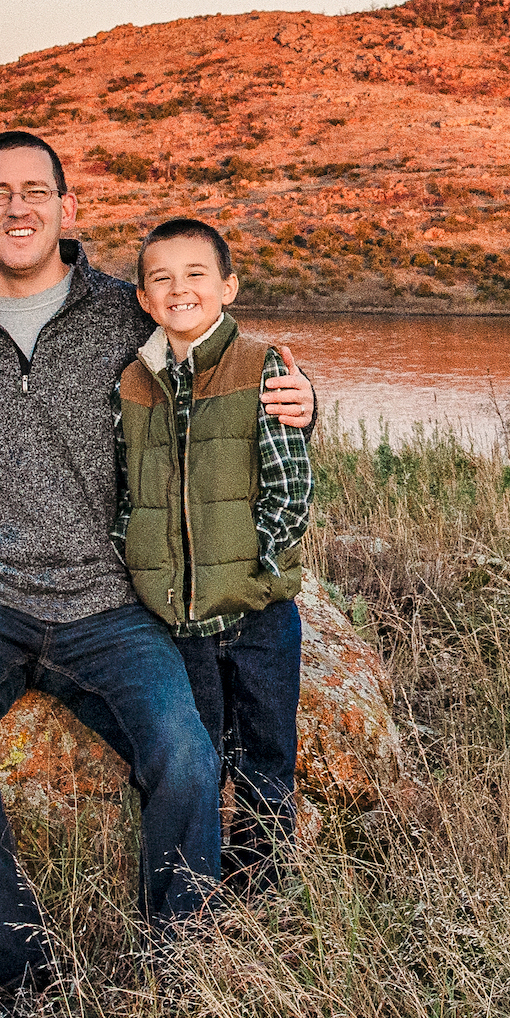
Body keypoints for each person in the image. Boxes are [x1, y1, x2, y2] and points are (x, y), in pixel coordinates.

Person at [0, 130, 316, 1018]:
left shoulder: (130, 312)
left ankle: (180, 969)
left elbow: (230, 357)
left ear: (66, 207)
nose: (17, 208)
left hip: (108, 602)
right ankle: (17, 974)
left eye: (35, 190)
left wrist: (303, 396)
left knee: (183, 750)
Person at [112, 217, 312, 892]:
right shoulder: (132, 383)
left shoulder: (264, 366)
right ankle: (193, 890)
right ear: (142, 297)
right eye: (161, 278)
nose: (179, 289)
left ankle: (261, 888)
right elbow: (122, 493)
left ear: (226, 285)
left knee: (264, 756)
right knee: (196, 758)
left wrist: (254, 566)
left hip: (256, 614)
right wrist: (137, 560)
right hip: (175, 619)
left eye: (195, 274)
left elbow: (290, 488)